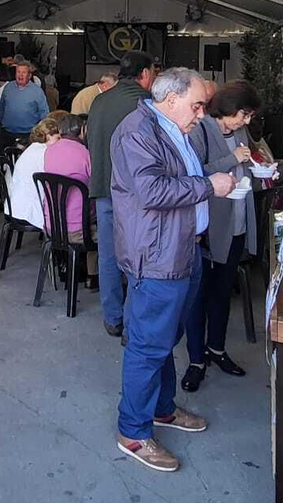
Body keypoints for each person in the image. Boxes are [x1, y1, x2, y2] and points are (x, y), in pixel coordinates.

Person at [110, 67, 235, 473]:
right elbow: (151, 191)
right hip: (158, 255)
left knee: (164, 338)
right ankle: (133, 431)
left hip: (181, 248)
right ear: (171, 99)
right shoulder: (138, 132)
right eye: (197, 105)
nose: (201, 113)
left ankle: (162, 409)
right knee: (148, 345)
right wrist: (208, 187)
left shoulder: (168, 126)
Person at [182, 81, 261, 392]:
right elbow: (193, 174)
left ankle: (217, 349)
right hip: (210, 228)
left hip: (237, 223)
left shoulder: (239, 132)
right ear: (228, 108)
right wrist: (233, 160)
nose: (246, 121)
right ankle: (195, 360)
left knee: (222, 294)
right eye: (244, 114)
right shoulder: (201, 131)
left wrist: (262, 169)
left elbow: (247, 164)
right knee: (198, 297)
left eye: (250, 116)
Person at [86, 51, 155, 337]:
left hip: (103, 188)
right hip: (135, 195)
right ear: (145, 74)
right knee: (136, 257)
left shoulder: (100, 100)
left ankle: (112, 316)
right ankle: (131, 321)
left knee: (108, 255)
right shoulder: (146, 104)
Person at [42, 112, 92, 258]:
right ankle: (93, 277)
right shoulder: (86, 154)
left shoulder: (49, 151)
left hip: (52, 227)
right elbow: (96, 188)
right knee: (110, 229)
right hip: (78, 231)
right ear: (83, 130)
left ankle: (67, 267)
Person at [8, 114, 63, 232]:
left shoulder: (32, 149)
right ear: (48, 136)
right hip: (29, 210)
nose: (61, 141)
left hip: (14, 206)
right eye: (58, 138)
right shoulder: (45, 153)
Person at [0, 58, 49, 140]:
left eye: (24, 72)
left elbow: (44, 113)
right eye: (18, 72)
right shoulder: (8, 87)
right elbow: (1, 108)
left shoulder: (37, 91)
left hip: (28, 135)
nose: (20, 75)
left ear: (29, 75)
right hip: (6, 133)